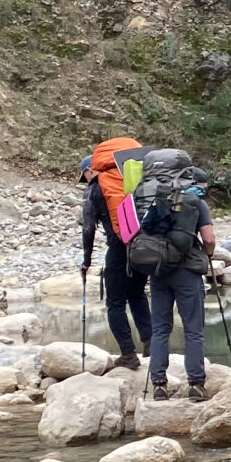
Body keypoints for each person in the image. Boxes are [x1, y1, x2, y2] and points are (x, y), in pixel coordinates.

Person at [143, 169, 218, 399]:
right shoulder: (196, 203)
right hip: (186, 273)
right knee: (193, 330)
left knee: (160, 330)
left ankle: (158, 385)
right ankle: (195, 384)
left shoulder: (158, 199)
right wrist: (209, 255)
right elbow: (209, 238)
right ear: (194, 183)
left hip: (158, 271)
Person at [78, 155, 150, 375]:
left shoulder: (95, 189)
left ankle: (128, 354)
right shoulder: (129, 181)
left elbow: (88, 228)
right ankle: (151, 344)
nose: (86, 179)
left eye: (85, 175)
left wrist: (86, 261)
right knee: (137, 294)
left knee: (115, 303)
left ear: (91, 170)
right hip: (141, 245)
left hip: (118, 250)